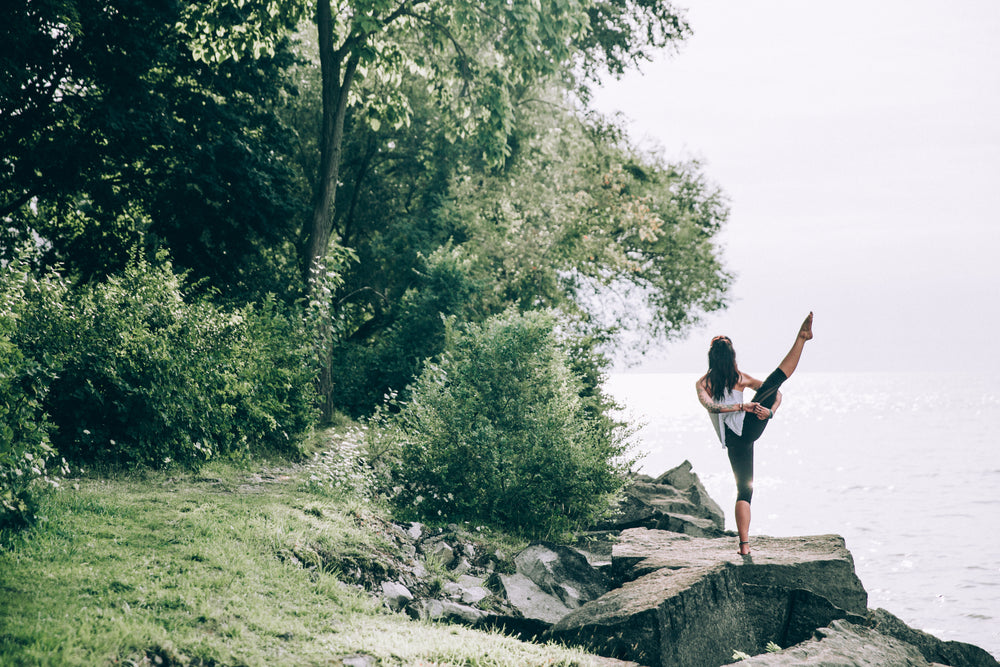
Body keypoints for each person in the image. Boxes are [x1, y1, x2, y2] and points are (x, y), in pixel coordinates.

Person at [695, 312, 813, 555]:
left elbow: (776, 395)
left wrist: (769, 412)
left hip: (741, 434)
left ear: (712, 358)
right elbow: (712, 407)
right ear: (730, 357)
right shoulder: (713, 382)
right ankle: (744, 546)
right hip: (743, 435)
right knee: (745, 490)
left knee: (773, 384)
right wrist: (745, 406)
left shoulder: (726, 380)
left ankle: (802, 338)